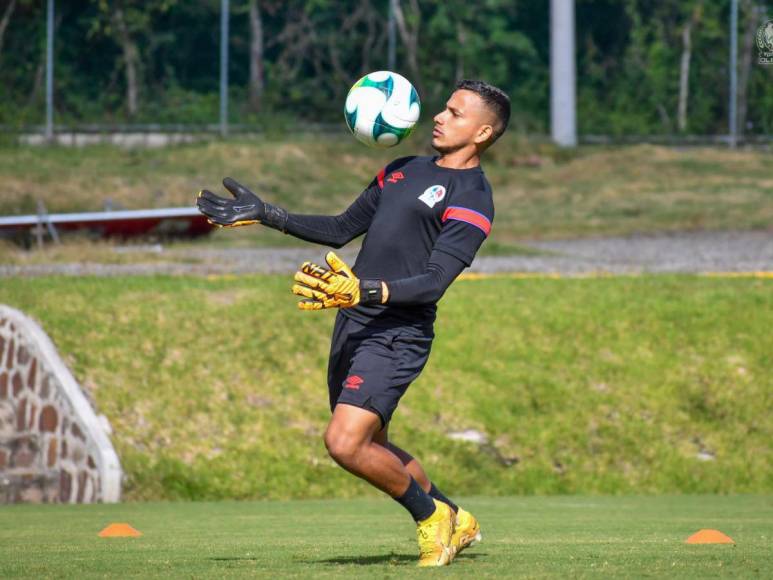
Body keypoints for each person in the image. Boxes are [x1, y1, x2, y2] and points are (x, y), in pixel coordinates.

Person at [197, 79, 510, 567]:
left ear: (484, 132)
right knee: (372, 445)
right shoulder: (402, 170)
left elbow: (434, 281)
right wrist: (268, 214)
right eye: (443, 108)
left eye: (455, 112)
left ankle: (431, 522)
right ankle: (454, 515)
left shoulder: (474, 196)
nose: (439, 117)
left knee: (343, 442)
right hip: (352, 323)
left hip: (397, 333)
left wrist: (364, 290)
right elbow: (342, 228)